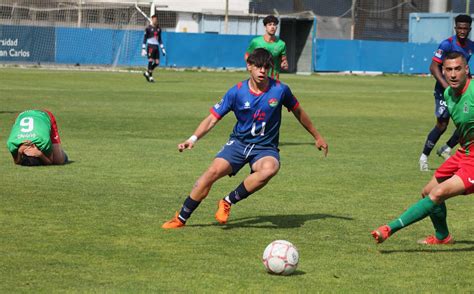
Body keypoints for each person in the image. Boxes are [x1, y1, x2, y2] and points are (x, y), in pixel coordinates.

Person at [162, 48, 328, 229]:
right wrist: (192, 139)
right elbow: (212, 118)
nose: (262, 71)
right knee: (210, 174)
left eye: (266, 67)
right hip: (238, 144)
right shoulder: (236, 92)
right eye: (258, 66)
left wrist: (317, 136)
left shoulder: (280, 90)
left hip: (265, 148)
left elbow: (298, 111)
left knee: (270, 168)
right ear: (249, 66)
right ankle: (181, 219)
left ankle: (227, 201)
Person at [372, 52, 473, 245]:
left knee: (438, 194)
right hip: (464, 152)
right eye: (449, 69)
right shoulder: (448, 94)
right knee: (428, 191)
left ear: (466, 69)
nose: (453, 74)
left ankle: (389, 228)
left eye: (458, 69)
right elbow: (463, 128)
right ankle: (443, 237)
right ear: (443, 71)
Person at [419, 14, 474, 171]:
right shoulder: (447, 44)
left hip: (462, 89)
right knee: (442, 125)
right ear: (455, 28)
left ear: (469, 29)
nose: (462, 31)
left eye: (465, 28)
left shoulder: (471, 45)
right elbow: (433, 67)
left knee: (465, 122)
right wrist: (447, 87)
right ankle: (424, 157)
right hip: (444, 90)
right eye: (460, 28)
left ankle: (447, 148)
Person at [245, 15, 288, 80]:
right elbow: (247, 55)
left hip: (273, 78)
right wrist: (249, 65)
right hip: (258, 76)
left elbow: (283, 59)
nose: (272, 27)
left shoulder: (281, 44)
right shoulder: (256, 42)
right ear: (265, 27)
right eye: (270, 25)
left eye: (274, 25)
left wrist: (284, 63)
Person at [141, 15, 166, 83]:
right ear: (152, 20)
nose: (155, 20)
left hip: (156, 47)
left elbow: (160, 39)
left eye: (156, 19)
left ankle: (147, 73)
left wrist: (162, 48)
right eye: (154, 19)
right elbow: (145, 38)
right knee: (150, 60)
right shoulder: (148, 28)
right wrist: (143, 48)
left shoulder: (159, 29)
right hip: (150, 46)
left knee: (157, 63)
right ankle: (151, 77)